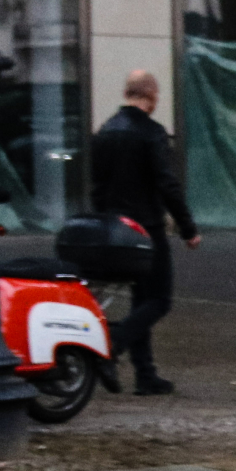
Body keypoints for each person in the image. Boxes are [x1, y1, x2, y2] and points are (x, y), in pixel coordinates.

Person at [88, 70, 201, 394]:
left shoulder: (106, 131)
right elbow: (167, 184)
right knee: (159, 299)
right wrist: (187, 228)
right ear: (150, 95)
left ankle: (145, 374)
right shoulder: (152, 133)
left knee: (142, 299)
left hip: (115, 228)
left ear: (127, 93)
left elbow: (98, 186)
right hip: (147, 229)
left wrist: (105, 221)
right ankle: (114, 344)